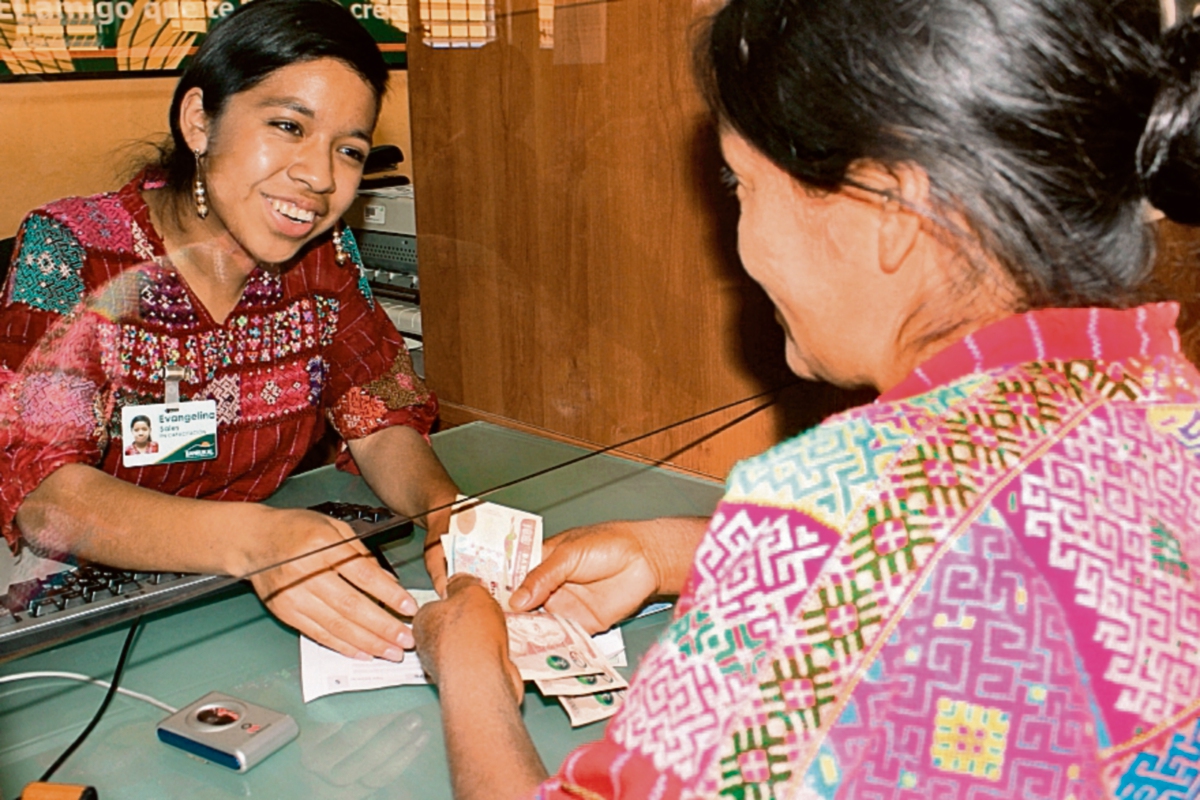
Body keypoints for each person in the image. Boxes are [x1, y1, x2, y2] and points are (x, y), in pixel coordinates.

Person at [413, 0, 1200, 796]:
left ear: (887, 207)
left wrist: (471, 671)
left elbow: (884, 542)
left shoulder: (830, 513)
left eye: (742, 183)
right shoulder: (1170, 400)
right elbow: (1017, 539)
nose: (742, 240)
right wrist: (675, 551)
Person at [0, 0, 461, 662]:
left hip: (250, 600)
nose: (320, 177)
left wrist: (448, 514)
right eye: (287, 125)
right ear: (199, 120)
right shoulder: (74, 250)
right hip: (85, 612)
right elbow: (45, 498)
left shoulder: (322, 260)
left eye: (349, 149)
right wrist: (258, 540)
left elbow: (379, 414)